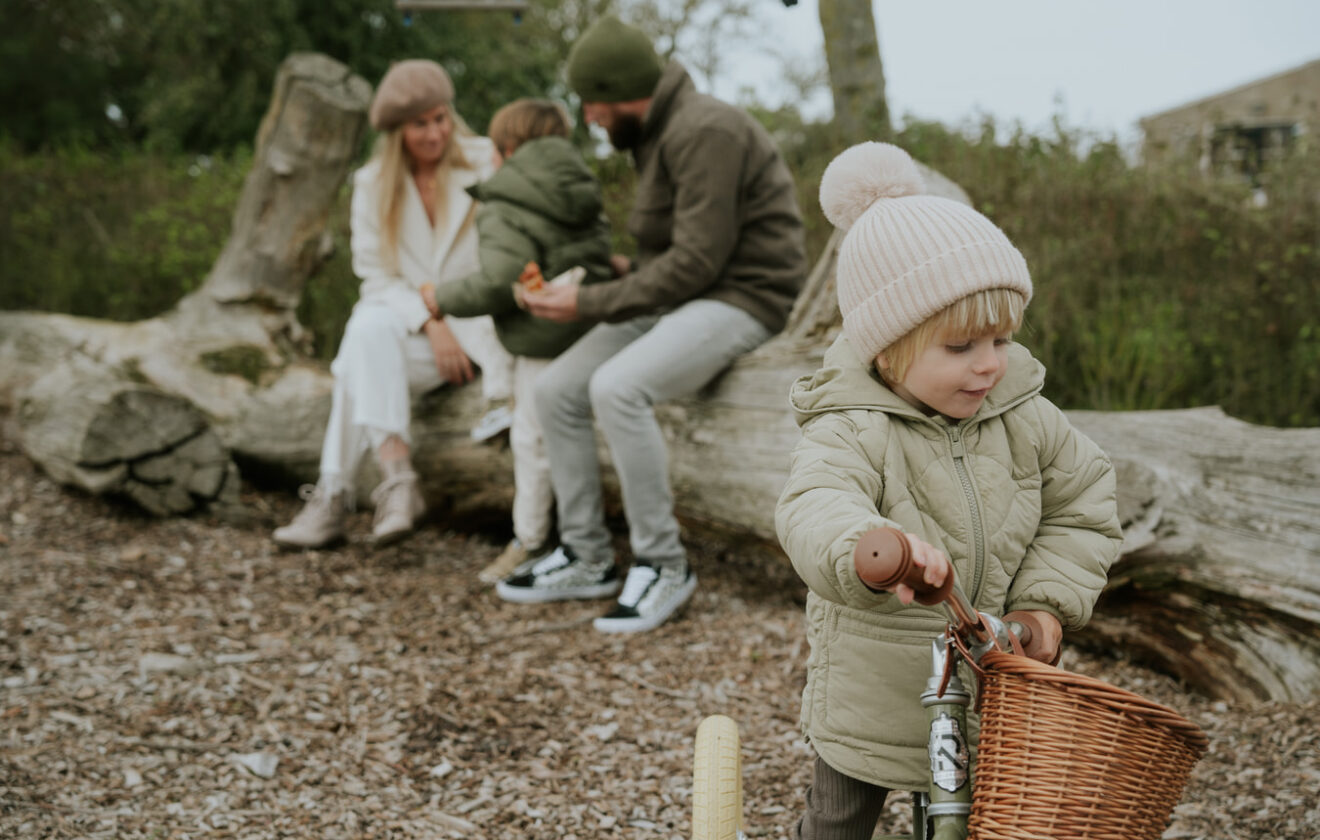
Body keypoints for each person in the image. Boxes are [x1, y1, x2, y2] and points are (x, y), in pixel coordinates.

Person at [774, 141, 1123, 840]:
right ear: (887, 348)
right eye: (960, 348)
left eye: (999, 339)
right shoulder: (853, 427)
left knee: (974, 823)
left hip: (992, 683)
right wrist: (874, 548)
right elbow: (814, 504)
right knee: (839, 821)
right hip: (871, 696)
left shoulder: (1026, 417)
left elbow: (1083, 507)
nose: (990, 365)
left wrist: (1044, 608)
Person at [497, 15, 809, 633]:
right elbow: (671, 256)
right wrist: (594, 278)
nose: (587, 117)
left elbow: (697, 263)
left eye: (593, 103)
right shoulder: (656, 132)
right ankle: (586, 555)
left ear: (623, 93)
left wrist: (587, 305)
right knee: (556, 389)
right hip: (686, 295)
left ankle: (664, 564)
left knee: (618, 387)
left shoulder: (705, 130)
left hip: (744, 297)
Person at [273, 59, 514, 550]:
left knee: (353, 362)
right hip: (418, 341)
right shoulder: (372, 183)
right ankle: (398, 480)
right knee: (366, 332)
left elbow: (505, 252)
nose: (434, 133)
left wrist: (447, 314)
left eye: (441, 118)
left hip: (481, 330)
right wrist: (431, 321)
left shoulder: (483, 159)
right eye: (420, 124)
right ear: (397, 130)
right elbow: (375, 276)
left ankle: (333, 498)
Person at [418, 98, 613, 582]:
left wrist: (440, 298)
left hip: (542, 335)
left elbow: (498, 278)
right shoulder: (579, 185)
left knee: (532, 441)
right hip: (588, 322)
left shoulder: (506, 198)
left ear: (505, 149)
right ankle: (498, 400)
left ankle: (531, 540)